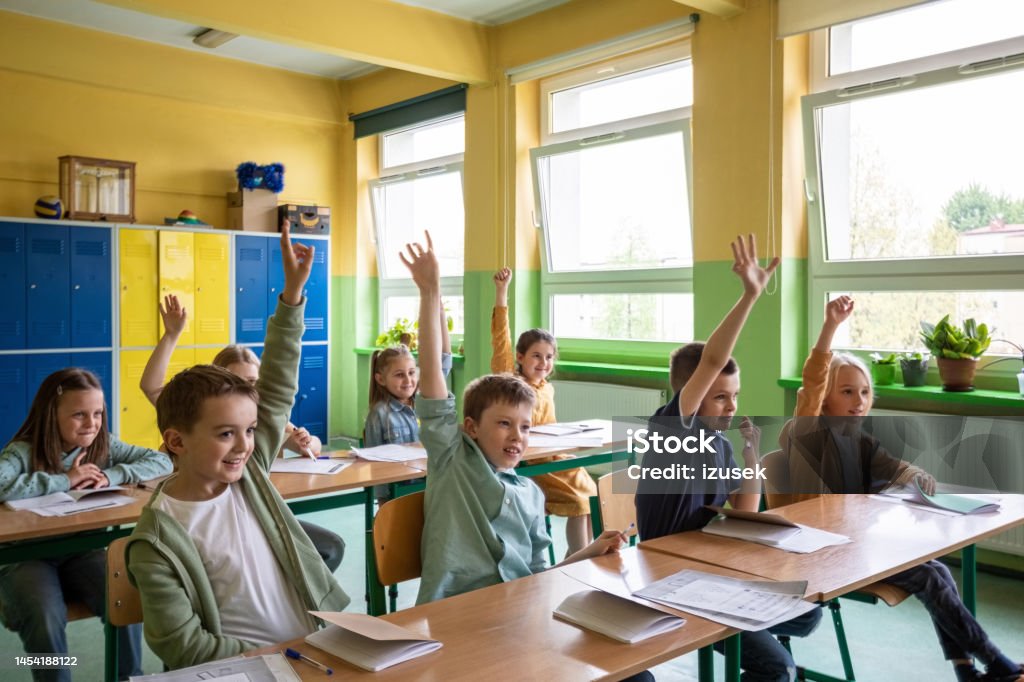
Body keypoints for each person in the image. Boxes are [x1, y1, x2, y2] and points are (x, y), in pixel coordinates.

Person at [125, 225, 350, 670]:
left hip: (318, 648)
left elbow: (279, 381)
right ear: (176, 441)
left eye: (249, 430)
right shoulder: (156, 540)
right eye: (226, 433)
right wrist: (279, 660)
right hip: (250, 669)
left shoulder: (250, 474)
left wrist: (292, 295)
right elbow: (185, 648)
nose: (245, 446)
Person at [783, 296, 1023, 682]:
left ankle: (966, 669)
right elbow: (812, 380)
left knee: (939, 570)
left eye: (864, 392)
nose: (859, 401)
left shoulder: (860, 442)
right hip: (824, 555)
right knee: (930, 577)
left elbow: (895, 468)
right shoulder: (807, 434)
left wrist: (916, 475)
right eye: (847, 391)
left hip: (857, 548)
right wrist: (830, 327)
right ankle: (996, 662)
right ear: (824, 397)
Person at [401, 232, 626, 606]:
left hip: (520, 612)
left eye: (524, 427)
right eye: (504, 424)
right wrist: (430, 293)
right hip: (456, 613)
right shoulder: (453, 462)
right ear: (471, 427)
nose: (518, 436)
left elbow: (540, 576)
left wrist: (590, 552)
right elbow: (434, 381)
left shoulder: (530, 494)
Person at [636, 235, 821, 682]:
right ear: (690, 395)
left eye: (735, 395)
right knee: (777, 668)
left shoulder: (719, 444)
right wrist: (749, 296)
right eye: (719, 396)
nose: (731, 406)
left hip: (711, 567)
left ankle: (749, 633)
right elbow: (713, 360)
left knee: (809, 615)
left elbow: (744, 510)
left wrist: (752, 454)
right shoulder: (672, 432)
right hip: (669, 575)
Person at [138, 292, 344, 573]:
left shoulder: (266, 421)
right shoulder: (199, 410)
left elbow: (313, 447)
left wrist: (306, 440)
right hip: (206, 524)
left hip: (252, 515)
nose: (247, 390)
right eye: (237, 381)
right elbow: (151, 386)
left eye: (253, 382)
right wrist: (171, 335)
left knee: (326, 548)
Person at [0, 368, 172, 682]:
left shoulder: (103, 445)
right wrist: (65, 480)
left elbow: (162, 461)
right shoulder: (23, 451)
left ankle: (128, 677)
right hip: (27, 556)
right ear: (51, 414)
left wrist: (111, 475)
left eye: (97, 413)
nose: (91, 423)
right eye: (79, 414)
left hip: (82, 551)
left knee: (124, 594)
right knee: (44, 614)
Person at [491, 267, 597, 556]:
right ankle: (579, 557)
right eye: (536, 356)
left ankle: (580, 554)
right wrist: (502, 292)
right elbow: (500, 340)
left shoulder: (547, 387)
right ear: (520, 357)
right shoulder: (512, 383)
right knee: (579, 501)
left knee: (593, 496)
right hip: (528, 461)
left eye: (549, 357)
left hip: (555, 456)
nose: (543, 362)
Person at [364, 299, 452, 447]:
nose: (408, 380)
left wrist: (441, 313)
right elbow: (372, 457)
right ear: (380, 379)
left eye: (411, 373)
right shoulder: (379, 414)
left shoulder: (426, 398)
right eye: (399, 375)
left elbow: (444, 359)